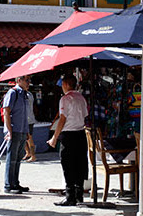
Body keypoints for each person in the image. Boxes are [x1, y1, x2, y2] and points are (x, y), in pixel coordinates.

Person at [47, 74, 88, 206]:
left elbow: (62, 119)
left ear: (65, 84)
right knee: (80, 164)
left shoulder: (65, 99)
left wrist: (54, 137)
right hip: (81, 134)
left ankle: (70, 196)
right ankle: (79, 194)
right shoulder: (81, 98)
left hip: (69, 136)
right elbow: (85, 115)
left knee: (68, 166)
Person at [3, 75, 30, 194]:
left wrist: (26, 131)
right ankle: (8, 185)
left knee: (18, 158)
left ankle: (15, 183)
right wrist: (9, 130)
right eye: (26, 80)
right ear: (19, 80)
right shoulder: (13, 93)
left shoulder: (24, 94)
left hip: (22, 129)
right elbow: (6, 111)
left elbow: (24, 114)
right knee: (12, 158)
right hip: (14, 130)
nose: (29, 83)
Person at [23, 89, 37, 162]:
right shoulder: (29, 94)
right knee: (24, 138)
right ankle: (28, 153)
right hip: (27, 118)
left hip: (28, 119)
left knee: (29, 138)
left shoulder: (26, 95)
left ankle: (33, 156)